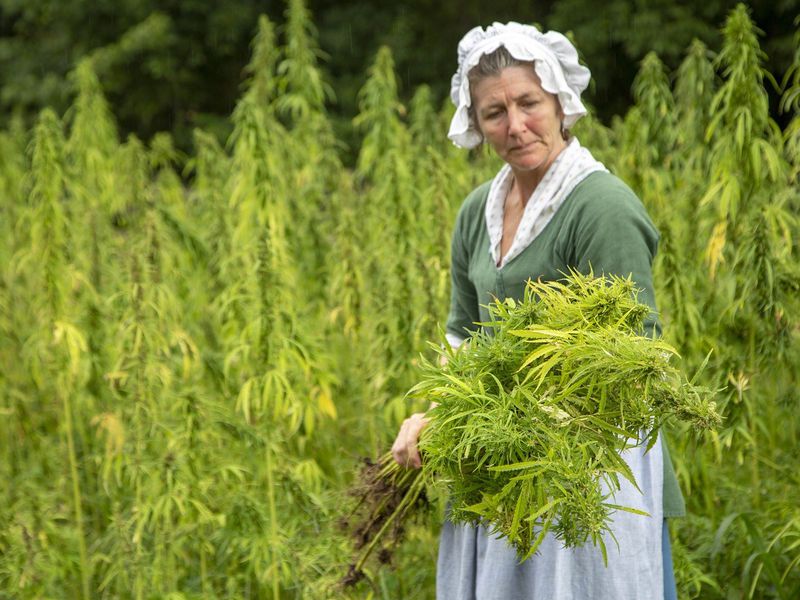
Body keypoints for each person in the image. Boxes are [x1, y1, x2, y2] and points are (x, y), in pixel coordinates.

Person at [391, 22, 682, 600]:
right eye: (494, 111)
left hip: (586, 473)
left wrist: (507, 416)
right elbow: (464, 331)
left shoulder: (601, 208)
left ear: (561, 102)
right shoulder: (478, 211)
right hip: (498, 458)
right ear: (475, 123)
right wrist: (438, 413)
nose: (515, 126)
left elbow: (633, 362)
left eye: (529, 103)